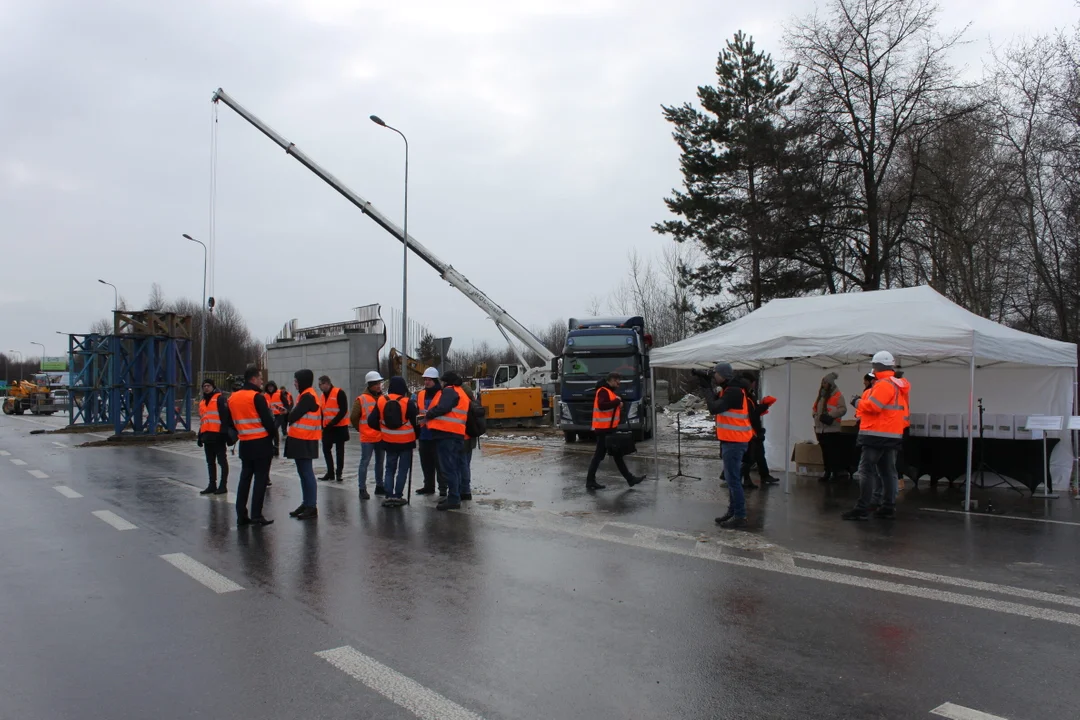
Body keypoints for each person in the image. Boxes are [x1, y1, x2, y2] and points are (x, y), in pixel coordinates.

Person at [843, 351, 910, 521]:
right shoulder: (897, 385)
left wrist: (856, 402)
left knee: (866, 471)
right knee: (888, 471)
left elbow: (873, 407)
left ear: (877, 366)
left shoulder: (883, 384)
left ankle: (862, 508)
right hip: (891, 435)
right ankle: (888, 507)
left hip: (876, 435)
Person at [223, 367, 278, 526]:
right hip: (261, 443)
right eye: (260, 378)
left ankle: (241, 515)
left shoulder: (233, 398)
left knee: (245, 479)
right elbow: (268, 422)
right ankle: (256, 515)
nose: (262, 381)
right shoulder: (257, 397)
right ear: (253, 379)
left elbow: (230, 422)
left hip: (245, 444)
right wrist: (274, 437)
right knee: (260, 480)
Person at [706, 362, 754, 529]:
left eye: (716, 374)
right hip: (732, 440)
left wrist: (706, 388)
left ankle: (740, 516)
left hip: (735, 441)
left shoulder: (733, 391)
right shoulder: (731, 389)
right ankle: (733, 511)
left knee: (733, 480)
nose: (714, 376)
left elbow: (713, 407)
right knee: (732, 479)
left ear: (724, 375)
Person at [585, 372, 646, 490]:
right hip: (604, 430)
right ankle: (590, 481)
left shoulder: (608, 391)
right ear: (611, 380)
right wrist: (617, 402)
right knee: (601, 456)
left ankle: (630, 479)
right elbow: (602, 405)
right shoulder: (603, 391)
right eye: (617, 381)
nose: (619, 384)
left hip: (608, 429)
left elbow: (608, 407)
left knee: (615, 455)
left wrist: (618, 404)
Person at [421, 371, 470, 510]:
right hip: (456, 434)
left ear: (446, 382)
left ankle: (454, 498)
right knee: (455, 466)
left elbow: (444, 407)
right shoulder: (461, 392)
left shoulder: (450, 391)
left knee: (449, 468)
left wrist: (429, 414)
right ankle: (454, 495)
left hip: (447, 434)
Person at [368, 375, 419, 507]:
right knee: (403, 469)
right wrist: (416, 436)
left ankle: (389, 495)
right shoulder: (407, 402)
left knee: (389, 468)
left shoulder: (381, 400)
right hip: (406, 441)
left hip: (388, 440)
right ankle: (398, 495)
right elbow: (415, 422)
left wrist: (383, 428)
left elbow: (371, 421)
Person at [285, 369, 322, 520]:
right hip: (301, 439)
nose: (294, 384)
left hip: (305, 440)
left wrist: (287, 414)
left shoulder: (308, 396)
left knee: (307, 473)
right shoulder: (305, 395)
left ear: (303, 381)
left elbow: (294, 416)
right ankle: (306, 503)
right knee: (303, 473)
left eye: (296, 381)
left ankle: (311, 505)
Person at [350, 371, 385, 500]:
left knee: (379, 462)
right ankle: (362, 488)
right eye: (376, 384)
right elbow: (353, 417)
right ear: (370, 385)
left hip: (380, 436)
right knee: (365, 462)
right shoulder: (361, 399)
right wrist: (360, 429)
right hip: (368, 437)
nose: (378, 386)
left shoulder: (382, 398)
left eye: (379, 383)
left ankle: (379, 486)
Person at [740, 373, 779, 487]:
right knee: (750, 457)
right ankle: (738, 477)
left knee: (758, 454)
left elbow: (753, 412)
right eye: (753, 382)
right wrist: (764, 406)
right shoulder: (744, 396)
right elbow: (751, 414)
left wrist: (761, 407)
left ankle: (762, 476)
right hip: (750, 431)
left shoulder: (749, 395)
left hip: (753, 430)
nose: (754, 385)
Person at [197, 378, 231, 495]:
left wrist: (224, 433)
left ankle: (223, 485)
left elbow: (225, 417)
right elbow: (203, 420)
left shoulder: (219, 399)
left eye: (208, 386)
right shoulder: (202, 402)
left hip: (218, 436)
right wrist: (199, 436)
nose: (206, 388)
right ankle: (212, 484)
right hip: (207, 436)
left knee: (222, 461)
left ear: (213, 387)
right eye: (204, 386)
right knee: (210, 462)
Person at [414, 367, 445, 496]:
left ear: (435, 380)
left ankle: (443, 489)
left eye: (429, 380)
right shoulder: (420, 394)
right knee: (426, 463)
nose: (426, 382)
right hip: (424, 434)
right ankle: (428, 486)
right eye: (425, 380)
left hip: (437, 434)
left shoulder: (442, 394)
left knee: (440, 464)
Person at [813, 372, 848, 482]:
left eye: (825, 382)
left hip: (832, 428)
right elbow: (814, 408)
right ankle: (827, 472)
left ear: (830, 384)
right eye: (822, 382)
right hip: (821, 429)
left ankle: (835, 473)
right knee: (825, 453)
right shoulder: (821, 396)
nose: (823, 384)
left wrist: (830, 415)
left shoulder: (838, 395)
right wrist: (815, 415)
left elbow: (843, 409)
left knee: (833, 452)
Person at [318, 375, 351, 482]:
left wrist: (333, 422)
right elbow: (322, 411)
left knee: (339, 451)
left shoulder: (339, 393)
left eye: (321, 384)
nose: (319, 387)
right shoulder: (322, 396)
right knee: (326, 449)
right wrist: (322, 425)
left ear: (327, 383)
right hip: (328, 428)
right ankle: (330, 472)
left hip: (339, 427)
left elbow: (343, 410)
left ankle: (339, 473)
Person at [265, 380, 292, 453]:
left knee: (275, 427)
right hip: (271, 415)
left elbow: (286, 404)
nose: (270, 388)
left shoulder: (279, 393)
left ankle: (276, 446)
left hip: (280, 415)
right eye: (269, 387)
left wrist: (286, 410)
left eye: (271, 387)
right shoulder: (265, 395)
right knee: (273, 429)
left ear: (274, 387)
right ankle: (275, 446)